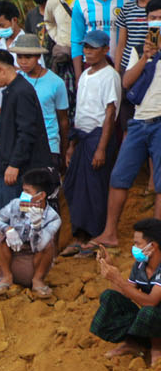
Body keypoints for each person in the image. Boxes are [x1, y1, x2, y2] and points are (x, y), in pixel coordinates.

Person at [97, 0, 161, 246]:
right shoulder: (138, 47)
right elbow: (126, 82)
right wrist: (146, 57)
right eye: (152, 17)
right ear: (146, 21)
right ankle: (109, 233)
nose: (156, 21)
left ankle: (156, 240)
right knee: (119, 176)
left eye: (159, 17)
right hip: (139, 121)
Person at [65, 31, 121, 250]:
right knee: (74, 186)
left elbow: (110, 112)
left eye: (93, 47)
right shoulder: (86, 74)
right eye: (85, 47)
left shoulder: (110, 76)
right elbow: (79, 112)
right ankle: (79, 235)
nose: (87, 51)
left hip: (99, 136)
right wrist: (71, 145)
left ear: (106, 50)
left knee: (96, 188)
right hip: (82, 136)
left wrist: (101, 148)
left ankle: (95, 236)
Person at [0, 49, 55, 213]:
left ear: (1, 70)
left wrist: (14, 164)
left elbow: (27, 132)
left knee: (15, 223)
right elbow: (13, 130)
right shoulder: (11, 90)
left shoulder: (21, 91)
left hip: (20, 172)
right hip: (9, 168)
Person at [90, 217, 161, 363]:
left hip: (153, 316)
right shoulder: (140, 265)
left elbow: (151, 301)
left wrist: (118, 279)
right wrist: (110, 268)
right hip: (149, 320)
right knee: (110, 297)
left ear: (152, 246)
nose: (134, 247)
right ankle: (133, 343)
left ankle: (157, 349)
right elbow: (125, 293)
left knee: (148, 311)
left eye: (137, 243)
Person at [0, 168, 63, 297]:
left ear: (41, 195)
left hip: (32, 263)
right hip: (12, 258)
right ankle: (6, 276)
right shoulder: (16, 204)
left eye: (27, 191)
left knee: (48, 243)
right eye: (23, 190)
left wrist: (37, 227)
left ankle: (37, 280)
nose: (23, 195)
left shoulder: (53, 218)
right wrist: (8, 229)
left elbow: (41, 246)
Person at [11, 33, 69, 163]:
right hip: (22, 145)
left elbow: (63, 120)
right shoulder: (15, 80)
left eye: (28, 57)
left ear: (38, 56)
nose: (23, 61)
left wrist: (64, 151)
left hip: (49, 145)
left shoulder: (56, 82)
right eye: (19, 57)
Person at [75, 0, 122, 74]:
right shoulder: (81, 3)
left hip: (120, 64)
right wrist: (78, 75)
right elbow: (76, 39)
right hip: (91, 65)